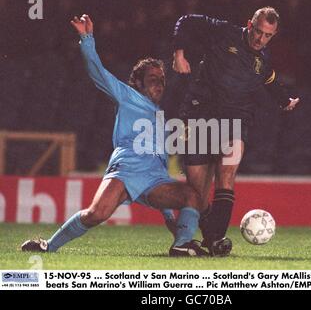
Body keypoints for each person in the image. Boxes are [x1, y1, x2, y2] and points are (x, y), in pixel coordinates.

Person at [21, 14, 209, 257]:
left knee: (193, 195)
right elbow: (97, 72)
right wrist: (86, 38)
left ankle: (182, 244)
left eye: (162, 79)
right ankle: (49, 245)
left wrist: (167, 215)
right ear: (138, 83)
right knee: (95, 215)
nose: (160, 83)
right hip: (126, 170)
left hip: (153, 180)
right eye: (153, 79)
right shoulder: (126, 96)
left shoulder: (161, 117)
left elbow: (160, 163)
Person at [172, 7, 300, 256]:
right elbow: (185, 21)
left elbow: (270, 80)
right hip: (201, 115)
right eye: (258, 32)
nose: (260, 40)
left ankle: (216, 238)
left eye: (267, 36)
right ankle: (211, 238)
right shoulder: (224, 31)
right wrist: (179, 55)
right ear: (249, 24)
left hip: (235, 120)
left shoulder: (262, 59)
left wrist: (284, 100)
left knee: (227, 173)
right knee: (197, 193)